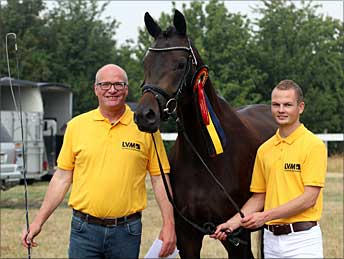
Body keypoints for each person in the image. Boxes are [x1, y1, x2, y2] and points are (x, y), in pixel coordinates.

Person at [21, 64, 176, 258]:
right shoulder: (77, 126)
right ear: (95, 89)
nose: (112, 90)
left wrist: (169, 225)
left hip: (127, 232)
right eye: (105, 84)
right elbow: (61, 178)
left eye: (118, 84)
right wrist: (37, 222)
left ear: (126, 89)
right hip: (83, 231)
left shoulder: (146, 128)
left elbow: (159, 179)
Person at [210, 79, 327, 258]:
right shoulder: (265, 150)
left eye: (287, 105)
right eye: (276, 105)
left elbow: (309, 199)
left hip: (302, 241)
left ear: (300, 107)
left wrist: (265, 216)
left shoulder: (313, 145)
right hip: (271, 241)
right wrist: (232, 223)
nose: (281, 110)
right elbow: (259, 197)